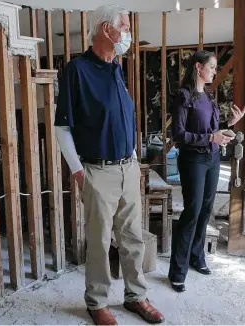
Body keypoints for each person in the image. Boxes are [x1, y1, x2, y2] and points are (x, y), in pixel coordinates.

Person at [54, 5, 164, 325]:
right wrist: (78, 171)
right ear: (106, 29)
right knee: (101, 241)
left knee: (132, 237)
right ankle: (96, 300)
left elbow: (122, 119)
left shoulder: (116, 67)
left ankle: (136, 297)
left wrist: (133, 162)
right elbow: (62, 128)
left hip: (127, 168)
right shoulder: (76, 71)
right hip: (96, 170)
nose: (128, 33)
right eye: (125, 27)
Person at [168, 50, 245, 292]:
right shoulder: (183, 96)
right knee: (191, 211)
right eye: (212, 67)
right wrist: (210, 137)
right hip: (193, 160)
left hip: (212, 159)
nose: (214, 71)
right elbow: (178, 135)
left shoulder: (209, 96)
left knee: (206, 209)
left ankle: (196, 256)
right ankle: (177, 271)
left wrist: (228, 126)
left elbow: (211, 130)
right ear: (198, 68)